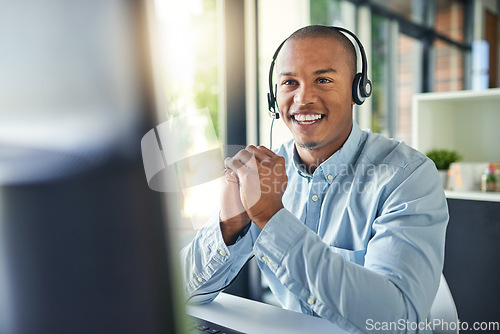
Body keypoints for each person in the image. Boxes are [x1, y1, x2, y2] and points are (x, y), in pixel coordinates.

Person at [180, 25, 448, 333]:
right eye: (289, 82)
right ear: (273, 97)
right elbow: (180, 291)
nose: (303, 98)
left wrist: (272, 217)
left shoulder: (408, 176)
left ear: (356, 90)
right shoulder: (265, 172)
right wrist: (229, 226)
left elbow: (396, 321)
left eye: (323, 80)